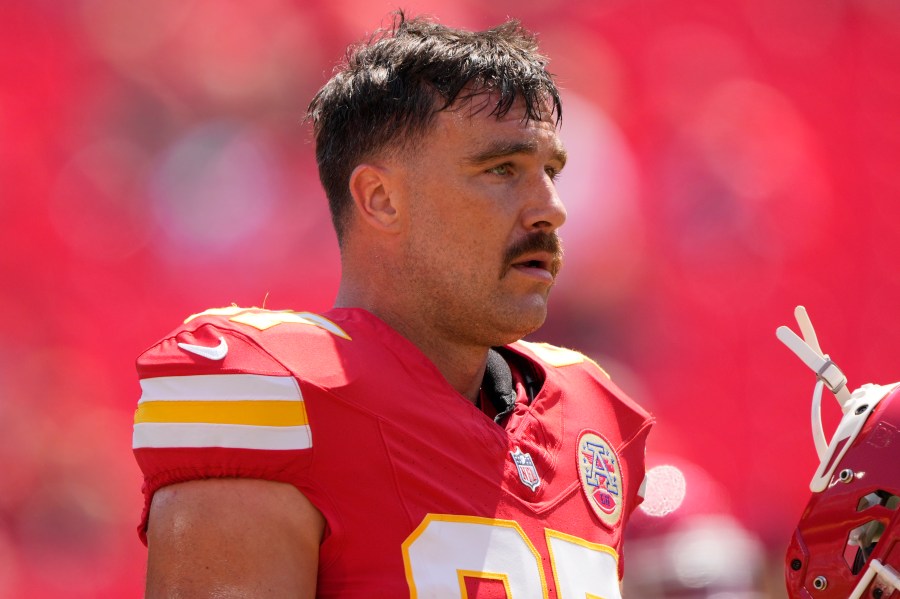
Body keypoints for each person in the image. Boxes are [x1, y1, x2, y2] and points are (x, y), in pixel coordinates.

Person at [132, 12, 653, 598]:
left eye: (550, 172)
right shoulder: (275, 396)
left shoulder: (594, 414)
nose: (551, 208)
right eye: (501, 169)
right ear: (381, 199)